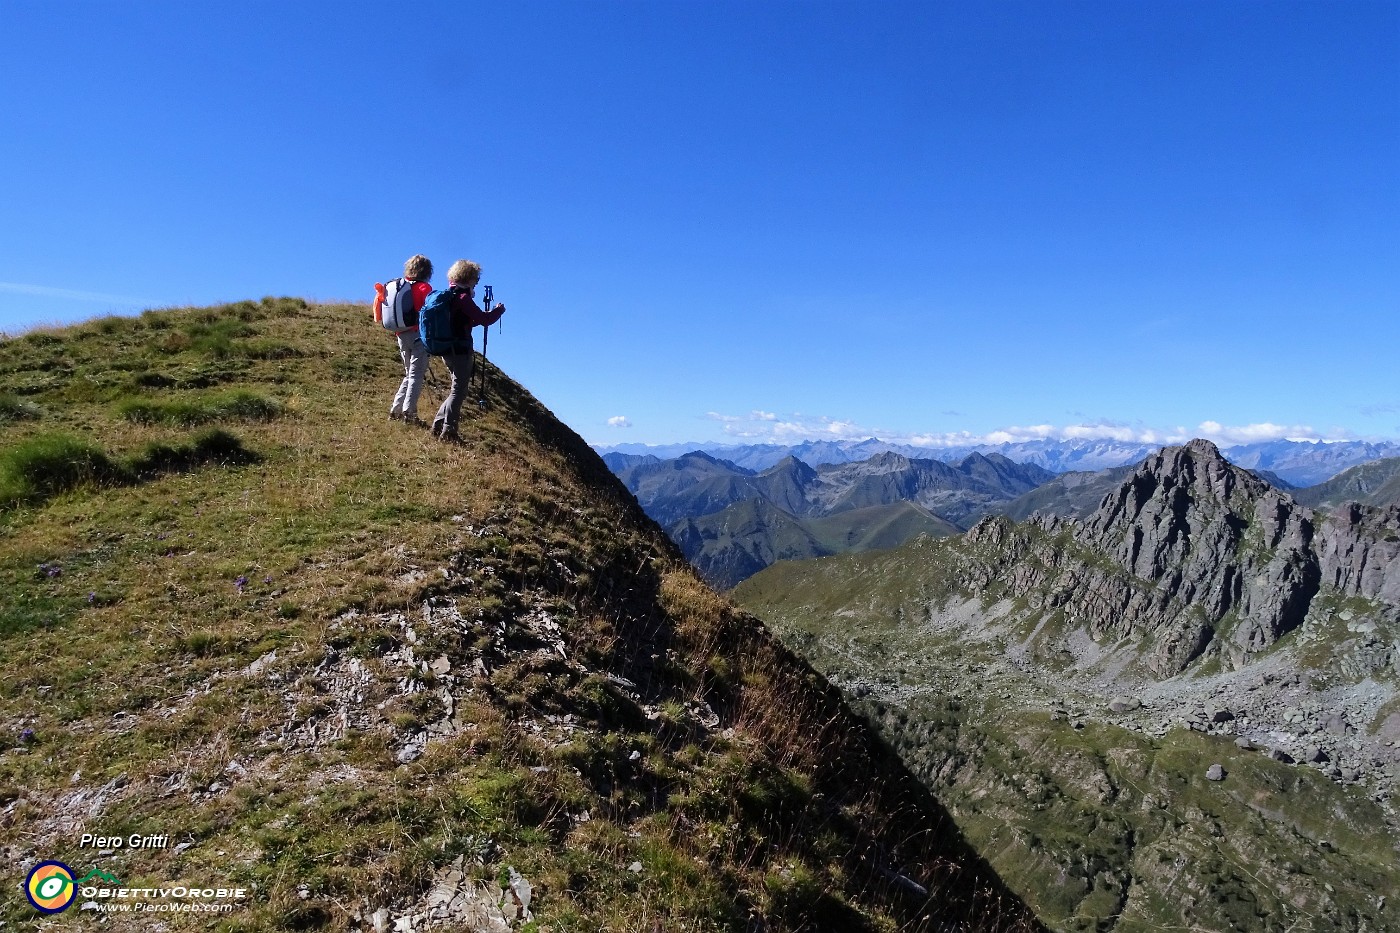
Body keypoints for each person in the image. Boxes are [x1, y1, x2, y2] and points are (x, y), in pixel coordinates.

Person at [428, 260, 505, 442]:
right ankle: (449, 431)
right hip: (461, 349)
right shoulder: (463, 298)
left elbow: (467, 321)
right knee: (458, 391)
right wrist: (498, 311)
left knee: (458, 390)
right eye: (476, 279)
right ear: (468, 277)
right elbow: (484, 320)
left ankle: (439, 425)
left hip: (446, 348)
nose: (477, 282)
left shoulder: (449, 296)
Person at [379, 254, 434, 424]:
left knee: (409, 374)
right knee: (416, 376)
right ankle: (409, 414)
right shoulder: (424, 288)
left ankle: (395, 410)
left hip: (401, 334)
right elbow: (429, 312)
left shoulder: (399, 287)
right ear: (427, 271)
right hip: (418, 335)